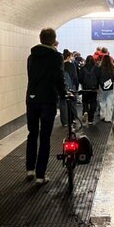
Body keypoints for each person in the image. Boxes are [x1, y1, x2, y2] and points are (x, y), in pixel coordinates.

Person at [25, 28, 66, 185]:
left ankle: (30, 169)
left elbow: (31, 76)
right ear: (53, 40)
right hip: (48, 100)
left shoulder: (31, 57)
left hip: (31, 99)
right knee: (45, 137)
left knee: (32, 134)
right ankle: (41, 175)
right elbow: (58, 78)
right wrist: (63, 94)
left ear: (40, 39)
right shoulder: (56, 56)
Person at [59, 49, 79, 126]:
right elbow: (75, 76)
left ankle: (65, 121)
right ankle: (73, 119)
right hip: (71, 85)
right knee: (72, 102)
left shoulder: (60, 65)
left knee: (63, 103)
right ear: (68, 57)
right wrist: (76, 86)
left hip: (61, 86)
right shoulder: (71, 65)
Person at [78, 55, 100, 125]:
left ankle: (85, 111)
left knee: (85, 102)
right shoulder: (96, 68)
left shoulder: (82, 68)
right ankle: (90, 119)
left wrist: (83, 84)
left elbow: (80, 79)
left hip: (85, 88)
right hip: (93, 89)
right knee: (93, 103)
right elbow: (99, 78)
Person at [98, 55, 114, 122]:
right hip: (110, 86)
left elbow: (98, 77)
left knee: (102, 101)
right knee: (110, 102)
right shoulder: (112, 67)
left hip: (102, 86)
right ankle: (108, 118)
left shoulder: (100, 68)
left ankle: (102, 115)